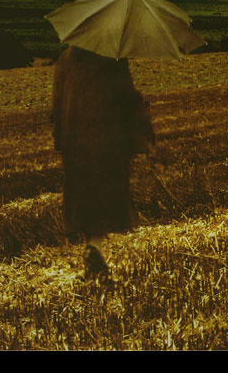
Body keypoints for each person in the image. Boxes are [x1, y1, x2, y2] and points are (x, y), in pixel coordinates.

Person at [51, 45, 155, 280]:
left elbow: (57, 102)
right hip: (107, 138)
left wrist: (60, 138)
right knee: (105, 193)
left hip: (73, 138)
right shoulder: (111, 59)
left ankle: (91, 246)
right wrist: (144, 133)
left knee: (83, 192)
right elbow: (126, 98)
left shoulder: (66, 58)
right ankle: (95, 247)